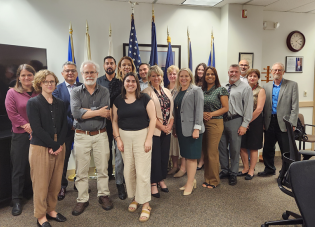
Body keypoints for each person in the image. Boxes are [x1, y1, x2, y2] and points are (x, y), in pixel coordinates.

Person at [112, 72, 156, 222]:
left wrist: (149, 139)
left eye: (133, 81)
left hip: (142, 136)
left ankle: (146, 204)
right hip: (124, 137)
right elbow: (114, 121)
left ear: (137, 83)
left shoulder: (144, 98)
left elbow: (153, 119)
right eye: (127, 81)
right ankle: (136, 198)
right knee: (129, 170)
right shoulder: (118, 100)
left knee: (142, 171)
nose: (130, 83)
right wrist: (118, 139)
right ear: (124, 83)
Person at [71, 60, 112, 216]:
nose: (89, 75)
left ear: (97, 73)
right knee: (81, 171)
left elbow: (106, 112)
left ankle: (103, 195)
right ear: (82, 74)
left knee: (103, 168)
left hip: (101, 134)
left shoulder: (104, 91)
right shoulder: (75, 91)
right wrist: (96, 112)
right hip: (81, 136)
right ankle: (82, 199)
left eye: (92, 72)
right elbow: (75, 113)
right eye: (86, 72)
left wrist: (85, 112)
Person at [27, 70, 68, 227]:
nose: (50, 84)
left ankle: (51, 210)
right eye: (46, 82)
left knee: (56, 183)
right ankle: (40, 216)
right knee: (41, 184)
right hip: (40, 146)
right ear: (39, 84)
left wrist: (59, 144)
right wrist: (53, 144)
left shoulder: (60, 103)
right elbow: (36, 128)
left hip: (59, 145)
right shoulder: (33, 103)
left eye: (52, 81)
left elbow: (65, 125)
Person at [5, 64, 37, 216]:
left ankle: (30, 192)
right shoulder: (12, 93)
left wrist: (36, 128)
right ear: (18, 77)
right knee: (19, 168)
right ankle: (16, 199)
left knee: (35, 166)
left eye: (29, 75)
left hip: (38, 135)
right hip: (20, 135)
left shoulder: (39, 91)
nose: (26, 78)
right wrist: (27, 126)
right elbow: (12, 113)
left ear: (34, 76)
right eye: (23, 75)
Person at [258, 62, 299, 176]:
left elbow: (295, 106)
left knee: (285, 150)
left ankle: (285, 172)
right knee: (267, 148)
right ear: (271, 72)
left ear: (283, 72)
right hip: (270, 121)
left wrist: (292, 123)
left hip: (285, 123)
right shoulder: (265, 86)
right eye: (275, 70)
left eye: (279, 70)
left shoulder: (292, 85)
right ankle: (269, 169)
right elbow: (262, 106)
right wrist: (262, 122)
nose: (277, 72)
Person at [97, 56, 127, 200]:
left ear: (116, 66)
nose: (109, 65)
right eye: (107, 63)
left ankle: (120, 182)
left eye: (112, 63)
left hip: (119, 122)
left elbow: (125, 101)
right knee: (105, 151)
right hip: (102, 122)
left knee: (120, 153)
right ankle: (108, 177)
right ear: (104, 66)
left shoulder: (122, 82)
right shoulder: (98, 81)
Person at [219, 64, 253, 186]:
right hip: (221, 120)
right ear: (228, 72)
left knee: (234, 148)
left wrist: (244, 124)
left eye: (235, 72)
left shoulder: (246, 88)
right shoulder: (222, 86)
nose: (233, 74)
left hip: (235, 120)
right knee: (221, 147)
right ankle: (224, 170)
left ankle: (233, 173)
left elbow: (248, 108)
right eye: (231, 71)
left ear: (239, 73)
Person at [143, 65, 174, 198]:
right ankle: (153, 183)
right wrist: (162, 127)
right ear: (149, 78)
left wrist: (169, 126)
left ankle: (161, 179)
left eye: (158, 75)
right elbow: (149, 115)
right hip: (154, 130)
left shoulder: (167, 91)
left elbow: (171, 111)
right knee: (154, 157)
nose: (156, 78)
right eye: (153, 75)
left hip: (167, 130)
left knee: (164, 156)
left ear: (162, 77)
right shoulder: (146, 92)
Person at [53, 61, 82, 201]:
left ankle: (79, 183)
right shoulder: (57, 89)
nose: (70, 73)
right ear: (62, 74)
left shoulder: (83, 87)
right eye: (67, 71)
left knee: (82, 158)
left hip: (82, 129)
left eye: (72, 70)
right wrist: (71, 124)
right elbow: (57, 110)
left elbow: (86, 106)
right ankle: (62, 186)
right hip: (65, 130)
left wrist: (79, 124)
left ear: (77, 73)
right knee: (63, 160)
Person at [173, 68, 205, 196]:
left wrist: (197, 128)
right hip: (181, 129)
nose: (183, 78)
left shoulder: (196, 90)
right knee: (186, 156)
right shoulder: (177, 91)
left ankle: (190, 184)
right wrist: (175, 128)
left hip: (193, 129)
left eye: (186, 76)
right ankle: (190, 181)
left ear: (190, 77)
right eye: (181, 76)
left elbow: (199, 110)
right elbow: (177, 111)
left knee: (192, 158)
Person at [201, 66, 229, 189]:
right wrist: (202, 114)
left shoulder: (221, 90)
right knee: (205, 152)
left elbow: (225, 108)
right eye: (207, 74)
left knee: (212, 152)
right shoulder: (200, 90)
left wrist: (210, 114)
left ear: (215, 76)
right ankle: (207, 178)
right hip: (202, 123)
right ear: (204, 76)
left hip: (215, 123)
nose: (210, 76)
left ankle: (214, 180)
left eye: (212, 74)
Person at [238, 69, 266, 180]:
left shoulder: (260, 90)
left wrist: (247, 121)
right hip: (242, 119)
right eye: (250, 76)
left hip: (255, 121)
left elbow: (259, 109)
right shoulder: (243, 88)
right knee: (242, 145)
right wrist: (243, 121)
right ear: (247, 77)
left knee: (253, 147)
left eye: (255, 76)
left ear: (258, 78)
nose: (252, 78)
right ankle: (245, 168)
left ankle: (251, 170)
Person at [166, 65, 183, 176]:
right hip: (167, 121)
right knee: (172, 144)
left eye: (174, 74)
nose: (172, 76)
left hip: (179, 120)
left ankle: (182, 167)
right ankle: (174, 166)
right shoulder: (164, 88)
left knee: (179, 144)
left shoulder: (181, 88)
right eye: (170, 74)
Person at [194, 63, 207, 170]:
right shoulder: (193, 83)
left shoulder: (208, 83)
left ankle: (202, 160)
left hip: (206, 114)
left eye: (202, 70)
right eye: (198, 69)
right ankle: (199, 159)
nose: (200, 71)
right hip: (195, 114)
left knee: (204, 140)